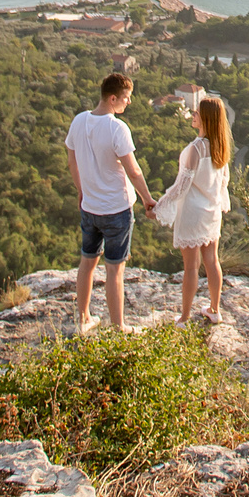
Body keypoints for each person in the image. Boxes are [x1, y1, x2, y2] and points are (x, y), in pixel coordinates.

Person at [65, 72, 155, 334]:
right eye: (126, 98)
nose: (129, 103)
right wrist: (147, 199)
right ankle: (119, 328)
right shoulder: (117, 129)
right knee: (115, 271)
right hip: (117, 210)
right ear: (113, 98)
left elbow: (72, 160)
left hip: (89, 207)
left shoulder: (79, 121)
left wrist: (81, 190)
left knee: (87, 262)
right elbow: (134, 170)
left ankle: (83, 320)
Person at [150, 96, 233, 323]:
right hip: (211, 212)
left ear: (204, 118)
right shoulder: (221, 148)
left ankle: (184, 318)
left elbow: (180, 188)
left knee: (190, 268)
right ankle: (215, 310)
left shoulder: (195, 149)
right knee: (212, 261)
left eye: (196, 113)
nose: (193, 115)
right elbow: (223, 182)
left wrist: (158, 207)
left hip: (192, 213)